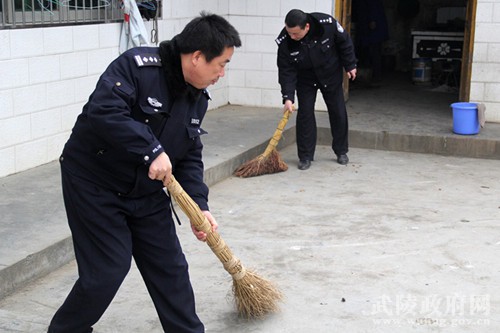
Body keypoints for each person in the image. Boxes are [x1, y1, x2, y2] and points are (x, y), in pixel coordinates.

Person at [47, 12, 241, 333]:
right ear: (196, 57)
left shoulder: (197, 98)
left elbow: (189, 154)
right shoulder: (137, 67)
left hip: (146, 192)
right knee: (108, 270)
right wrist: (151, 149)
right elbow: (104, 111)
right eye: (221, 64)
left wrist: (199, 205)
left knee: (171, 269)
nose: (222, 73)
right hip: (96, 183)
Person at [276, 9, 357, 170]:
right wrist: (288, 97)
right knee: (305, 114)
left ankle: (341, 151)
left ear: (306, 27)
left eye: (295, 34)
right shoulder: (286, 40)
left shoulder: (327, 24)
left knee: (338, 112)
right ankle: (305, 156)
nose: (292, 37)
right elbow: (286, 70)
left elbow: (345, 42)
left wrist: (350, 65)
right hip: (305, 79)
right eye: (289, 32)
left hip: (330, 74)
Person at [352, 0, 389, 87]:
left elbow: (373, 13)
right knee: (371, 52)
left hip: (372, 31)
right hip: (368, 29)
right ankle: (370, 76)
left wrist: (372, 20)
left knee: (374, 52)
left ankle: (374, 76)